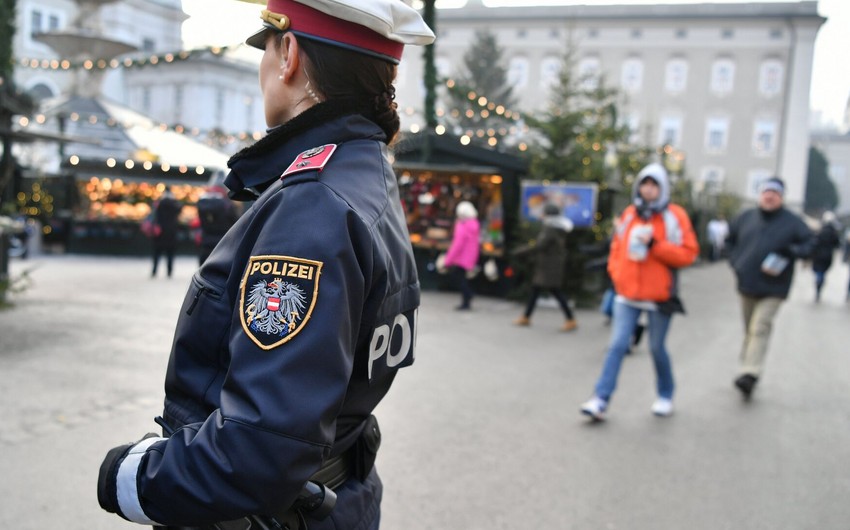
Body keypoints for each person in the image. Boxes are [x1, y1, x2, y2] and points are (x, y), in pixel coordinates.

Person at [97, 2, 434, 529]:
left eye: (265, 48)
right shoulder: (364, 174)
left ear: (289, 56)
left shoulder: (313, 206)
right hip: (338, 493)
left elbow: (257, 450)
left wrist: (133, 477)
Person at [580, 163, 698, 420]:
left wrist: (656, 245)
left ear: (663, 187)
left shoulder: (674, 216)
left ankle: (665, 394)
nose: (649, 189)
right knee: (617, 345)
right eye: (645, 183)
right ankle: (600, 398)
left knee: (657, 348)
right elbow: (616, 247)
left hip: (659, 296)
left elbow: (688, 254)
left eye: (654, 184)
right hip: (628, 293)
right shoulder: (630, 214)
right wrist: (616, 274)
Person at [726, 177, 813, 399]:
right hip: (747, 283)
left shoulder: (793, 222)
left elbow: (810, 244)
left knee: (760, 327)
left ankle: (750, 373)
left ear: (781, 197)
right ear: (760, 195)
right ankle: (746, 365)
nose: (770, 196)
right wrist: (736, 262)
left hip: (774, 287)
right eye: (766, 192)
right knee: (749, 329)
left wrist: (791, 251)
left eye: (775, 193)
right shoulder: (746, 218)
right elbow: (729, 241)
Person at [512, 202, 578, 331]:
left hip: (549, 267)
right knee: (536, 291)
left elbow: (539, 245)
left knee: (555, 292)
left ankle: (570, 319)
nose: (541, 215)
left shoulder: (551, 229)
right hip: (549, 266)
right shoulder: (557, 228)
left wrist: (520, 251)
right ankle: (526, 317)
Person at [443, 200, 481, 310]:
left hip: (462, 256)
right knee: (462, 277)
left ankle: (468, 296)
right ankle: (467, 298)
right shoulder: (474, 224)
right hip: (470, 256)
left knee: (458, 277)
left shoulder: (462, 225)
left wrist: (448, 260)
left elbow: (457, 244)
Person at [195, 185, 240, 265]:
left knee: (203, 268)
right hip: (223, 242)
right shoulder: (227, 205)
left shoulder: (202, 204)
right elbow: (236, 222)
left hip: (206, 241)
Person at [150, 186, 183, 278]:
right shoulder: (175, 204)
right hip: (171, 232)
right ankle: (169, 272)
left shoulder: (159, 204)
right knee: (170, 254)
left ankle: (154, 271)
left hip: (160, 233)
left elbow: (154, 216)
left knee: (157, 253)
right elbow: (180, 210)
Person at [810, 211, 841, 302]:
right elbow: (837, 244)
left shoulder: (820, 231)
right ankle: (820, 283)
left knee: (818, 272)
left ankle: (818, 284)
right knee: (822, 272)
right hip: (828, 256)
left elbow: (814, 242)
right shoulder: (834, 232)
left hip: (818, 255)